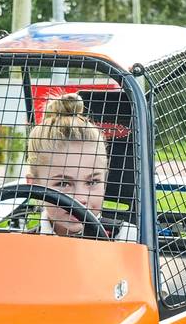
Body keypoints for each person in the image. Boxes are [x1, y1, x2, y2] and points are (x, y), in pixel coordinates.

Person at [24, 93, 133, 240]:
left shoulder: (129, 238)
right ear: (34, 186)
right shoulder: (22, 247)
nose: (80, 198)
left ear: (105, 180)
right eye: (63, 183)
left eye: (92, 182)